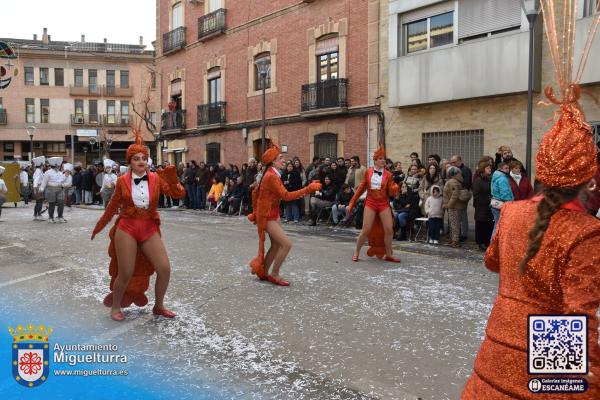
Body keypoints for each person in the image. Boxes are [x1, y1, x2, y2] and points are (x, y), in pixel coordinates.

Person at [462, 14, 600, 393]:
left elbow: (493, 261)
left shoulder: (513, 211)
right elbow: (578, 314)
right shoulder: (585, 231)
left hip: (498, 343)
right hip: (548, 343)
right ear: (589, 180)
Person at [91, 128, 186, 321]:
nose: (141, 161)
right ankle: (115, 307)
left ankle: (159, 306)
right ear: (130, 162)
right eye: (136, 159)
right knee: (125, 272)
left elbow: (178, 194)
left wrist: (173, 180)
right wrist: (99, 226)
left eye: (144, 158)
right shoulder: (121, 182)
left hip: (149, 227)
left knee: (164, 268)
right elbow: (112, 207)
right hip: (127, 227)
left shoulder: (155, 178)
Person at [247, 143, 321, 286]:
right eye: (280, 158)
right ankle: (274, 274)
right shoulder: (271, 176)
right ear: (273, 161)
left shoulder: (273, 174)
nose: (284, 160)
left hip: (273, 213)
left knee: (276, 245)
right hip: (267, 215)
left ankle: (264, 272)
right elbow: (286, 196)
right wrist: (308, 188)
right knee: (286, 244)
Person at [348, 145, 400, 262]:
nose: (383, 161)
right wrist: (352, 203)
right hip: (371, 202)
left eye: (384, 159)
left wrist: (395, 187)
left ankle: (389, 254)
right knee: (366, 229)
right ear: (375, 160)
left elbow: (391, 193)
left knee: (389, 229)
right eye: (380, 158)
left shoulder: (388, 174)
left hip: (383, 203)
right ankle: (356, 252)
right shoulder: (368, 172)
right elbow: (361, 188)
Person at [443, 166, 468, 248]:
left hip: (454, 206)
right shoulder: (456, 181)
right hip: (455, 206)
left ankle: (455, 241)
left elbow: (455, 195)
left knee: (454, 224)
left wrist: (449, 205)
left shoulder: (453, 181)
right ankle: (453, 239)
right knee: (453, 223)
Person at [472, 161, 494, 251]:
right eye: (488, 168)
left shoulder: (490, 179)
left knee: (489, 225)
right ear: (483, 170)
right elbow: (476, 194)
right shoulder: (478, 181)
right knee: (481, 225)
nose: (490, 170)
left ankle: (487, 242)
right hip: (481, 207)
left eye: (490, 168)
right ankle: (481, 243)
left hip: (489, 207)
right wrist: (487, 201)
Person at [40, 157, 66, 223]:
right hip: (51, 189)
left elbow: (63, 181)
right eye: (59, 165)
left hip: (60, 189)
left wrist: (65, 178)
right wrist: (42, 188)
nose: (60, 166)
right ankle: (50, 218)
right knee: (52, 204)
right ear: (56, 165)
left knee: (61, 203)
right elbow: (44, 181)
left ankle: (60, 217)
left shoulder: (60, 173)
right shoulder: (47, 172)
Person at [490, 162, 514, 235]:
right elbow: (505, 194)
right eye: (505, 168)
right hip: (501, 204)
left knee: (497, 225)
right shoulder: (502, 179)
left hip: (496, 204)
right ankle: (494, 244)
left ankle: (494, 244)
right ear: (500, 169)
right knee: (499, 226)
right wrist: (511, 202)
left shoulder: (496, 177)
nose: (508, 170)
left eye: (508, 168)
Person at [32, 156, 46, 221]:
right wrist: (35, 188)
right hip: (38, 187)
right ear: (41, 165)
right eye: (43, 165)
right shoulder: (38, 171)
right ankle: (38, 215)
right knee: (39, 202)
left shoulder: (39, 170)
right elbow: (36, 180)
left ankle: (36, 214)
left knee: (39, 202)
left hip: (39, 187)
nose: (44, 166)